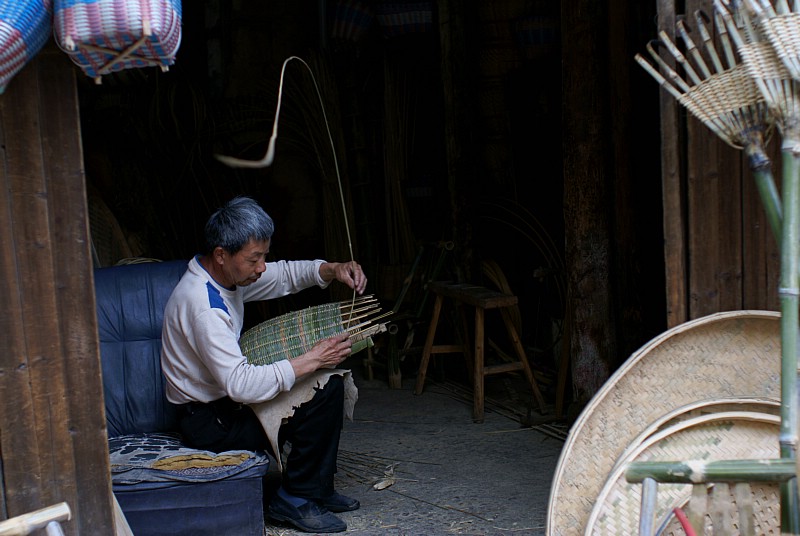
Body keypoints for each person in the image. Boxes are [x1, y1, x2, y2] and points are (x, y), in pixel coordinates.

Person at [161, 195, 367, 534]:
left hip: (225, 407)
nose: (261, 267)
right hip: (211, 424)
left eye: (264, 256)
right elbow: (241, 385)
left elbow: (284, 275)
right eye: (254, 259)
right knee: (320, 387)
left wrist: (332, 269)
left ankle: (316, 488)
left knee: (328, 381)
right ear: (221, 255)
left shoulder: (225, 277)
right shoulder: (204, 305)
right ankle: (295, 499)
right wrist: (313, 357)